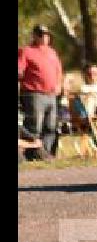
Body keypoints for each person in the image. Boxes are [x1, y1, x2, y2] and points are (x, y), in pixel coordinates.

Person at [18, 24, 63, 157]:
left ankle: (45, 153)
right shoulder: (26, 51)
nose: (45, 38)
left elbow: (58, 71)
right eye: (41, 35)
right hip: (34, 94)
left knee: (50, 126)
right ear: (35, 36)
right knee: (34, 126)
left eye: (47, 35)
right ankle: (31, 153)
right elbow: (20, 69)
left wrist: (59, 84)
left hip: (51, 94)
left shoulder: (52, 52)